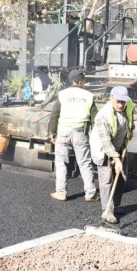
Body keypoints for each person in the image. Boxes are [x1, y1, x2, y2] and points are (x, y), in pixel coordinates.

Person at [47, 69, 98, 202]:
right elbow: (94, 118)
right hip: (79, 133)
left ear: (72, 81)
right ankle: (90, 194)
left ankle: (61, 192)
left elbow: (54, 115)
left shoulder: (62, 94)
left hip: (63, 132)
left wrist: (52, 132)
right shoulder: (89, 96)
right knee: (85, 163)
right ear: (81, 81)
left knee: (61, 163)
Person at [90, 86, 135, 225]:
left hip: (120, 147)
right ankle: (107, 210)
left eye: (123, 101)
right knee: (107, 180)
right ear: (111, 99)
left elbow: (130, 122)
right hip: (104, 150)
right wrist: (116, 159)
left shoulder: (128, 106)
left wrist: (128, 134)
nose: (121, 104)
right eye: (118, 101)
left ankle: (116, 206)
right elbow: (106, 142)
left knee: (121, 176)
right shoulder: (104, 116)